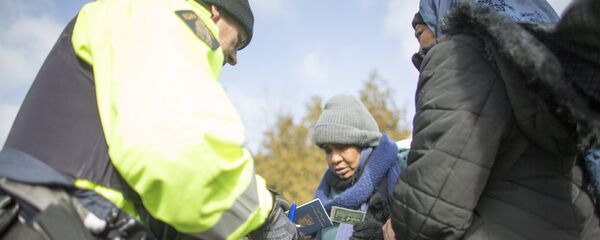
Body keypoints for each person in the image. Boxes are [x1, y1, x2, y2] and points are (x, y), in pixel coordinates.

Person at [0, 0, 302, 239]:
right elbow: (184, 153)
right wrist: (265, 215)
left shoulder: (133, 16)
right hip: (54, 220)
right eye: (238, 41)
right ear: (215, 12)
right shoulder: (161, 15)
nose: (234, 57)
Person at [390, 0, 600, 239]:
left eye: (419, 33)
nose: (419, 47)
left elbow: (427, 214)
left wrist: (392, 227)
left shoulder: (461, 57)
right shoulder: (562, 70)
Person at [310, 94, 403, 240]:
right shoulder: (325, 192)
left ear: (364, 144)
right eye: (328, 151)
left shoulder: (395, 177)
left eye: (342, 147)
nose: (334, 159)